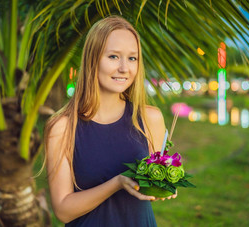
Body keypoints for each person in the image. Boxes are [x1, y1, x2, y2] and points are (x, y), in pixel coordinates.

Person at [44, 15, 177, 226]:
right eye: (114, 56)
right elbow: (63, 210)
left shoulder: (150, 118)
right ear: (92, 59)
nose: (124, 68)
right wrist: (116, 183)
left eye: (132, 58)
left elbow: (153, 185)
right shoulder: (62, 127)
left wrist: (165, 183)